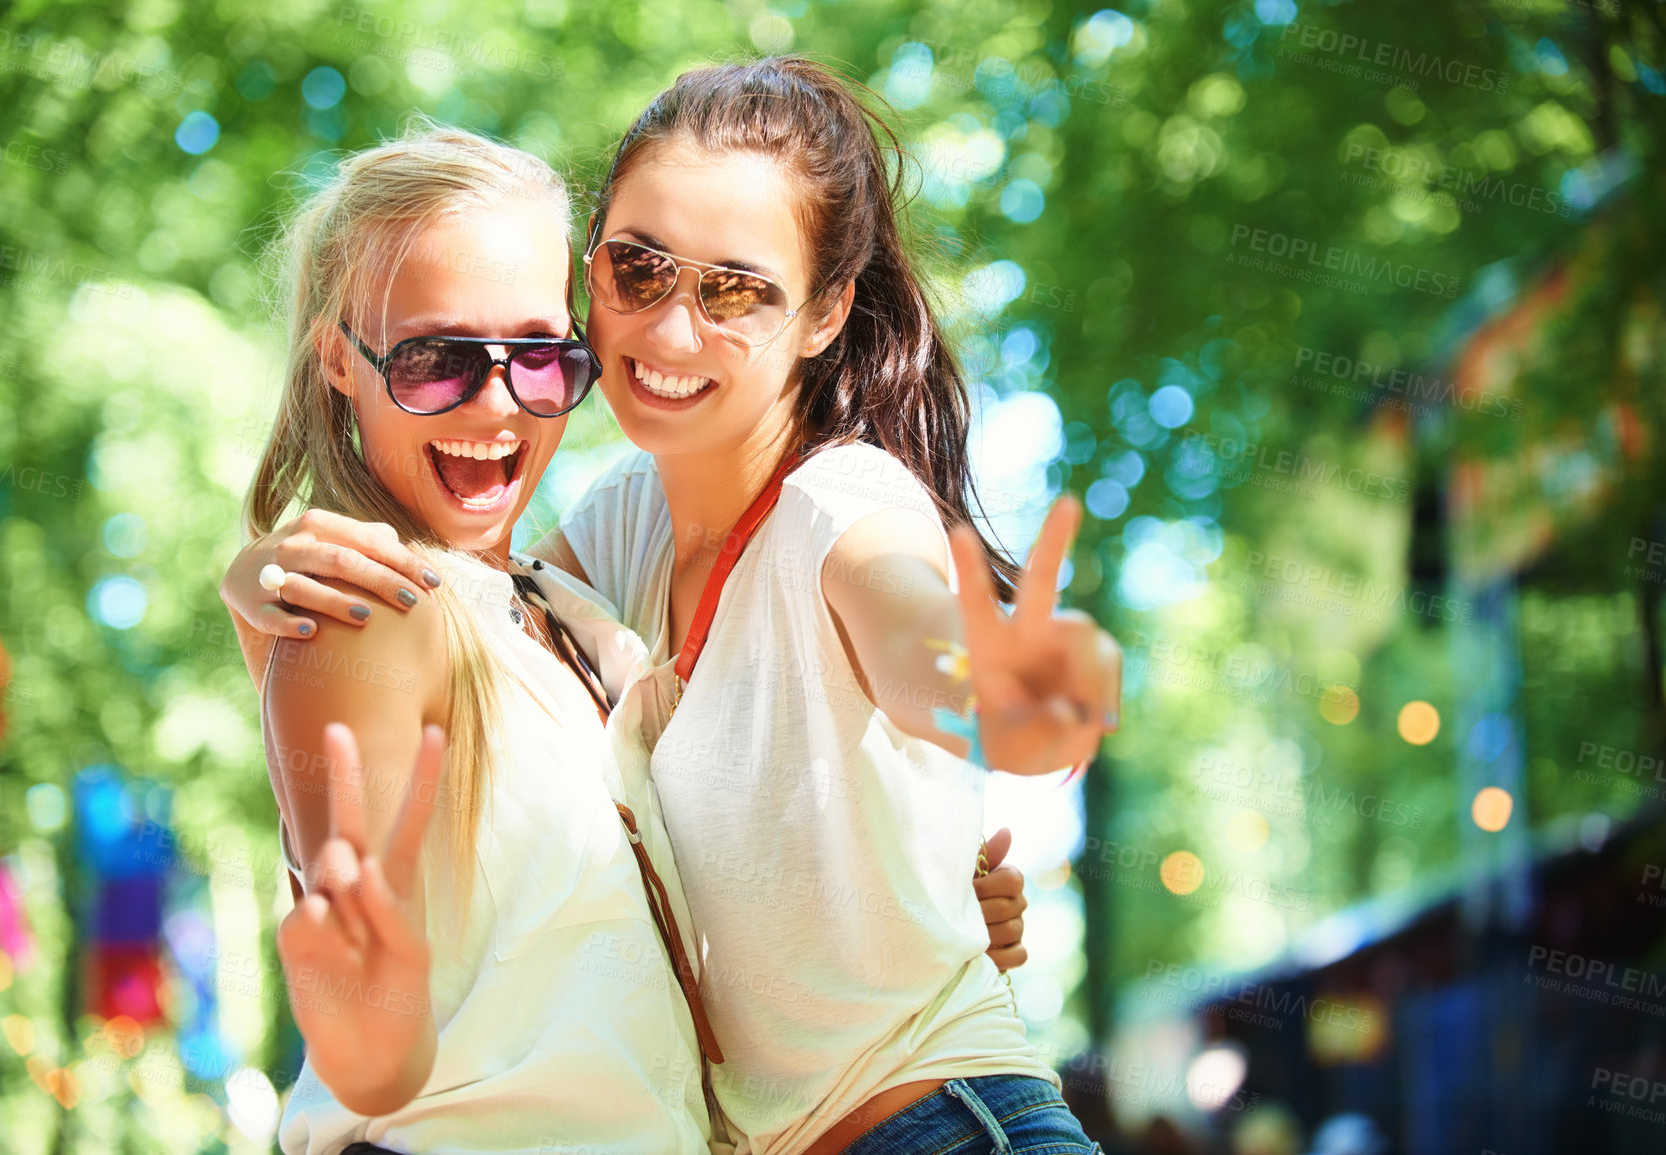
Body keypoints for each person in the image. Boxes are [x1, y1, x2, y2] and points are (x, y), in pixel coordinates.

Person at [224, 58, 1118, 1154]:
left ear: (826, 311)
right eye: (639, 268)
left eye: (735, 289)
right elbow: (462, 649)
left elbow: (917, 633)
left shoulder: (842, 505)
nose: (671, 330)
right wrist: (259, 587)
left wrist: (1003, 699)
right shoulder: (607, 535)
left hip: (936, 1126)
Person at [236, 121, 715, 1154]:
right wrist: (362, 1015)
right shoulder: (364, 616)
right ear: (339, 361)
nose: (499, 402)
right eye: (436, 359)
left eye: (541, 356)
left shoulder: (575, 620)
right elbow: (369, 1048)